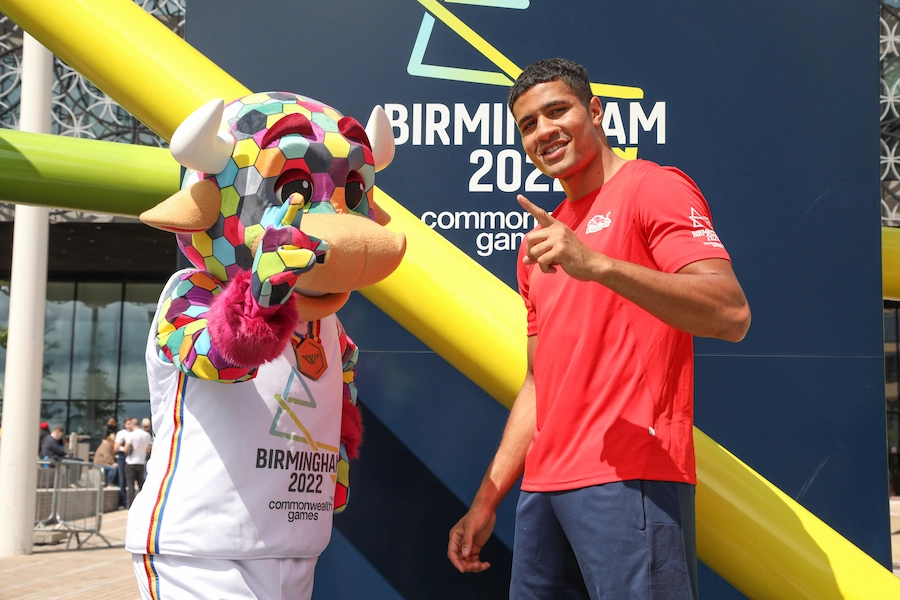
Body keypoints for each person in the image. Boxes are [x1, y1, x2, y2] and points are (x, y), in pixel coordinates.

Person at [447, 58, 751, 599]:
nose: (543, 131)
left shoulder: (652, 188)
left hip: (632, 477)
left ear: (595, 111)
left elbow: (731, 314)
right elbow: (539, 385)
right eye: (527, 125)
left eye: (556, 111)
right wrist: (486, 501)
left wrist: (599, 265)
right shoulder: (541, 242)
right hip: (543, 490)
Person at [123, 417, 152, 509]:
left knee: (130, 485)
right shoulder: (146, 435)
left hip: (131, 462)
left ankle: (130, 505)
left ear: (132, 424)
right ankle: (143, 505)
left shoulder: (131, 435)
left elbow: (126, 449)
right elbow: (148, 449)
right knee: (141, 485)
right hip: (141, 462)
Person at [114, 418, 133, 508]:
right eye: (128, 423)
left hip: (132, 456)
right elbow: (115, 448)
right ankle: (123, 502)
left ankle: (131, 502)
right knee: (122, 479)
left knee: (131, 480)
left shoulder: (136, 433)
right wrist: (123, 441)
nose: (129, 425)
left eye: (131, 423)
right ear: (125, 424)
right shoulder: (121, 433)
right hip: (122, 456)